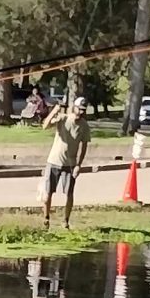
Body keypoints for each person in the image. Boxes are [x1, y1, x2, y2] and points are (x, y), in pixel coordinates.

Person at [42, 84, 92, 227]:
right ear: (74, 107)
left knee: (69, 193)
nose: (80, 112)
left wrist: (78, 165)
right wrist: (54, 111)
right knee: (48, 192)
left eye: (83, 110)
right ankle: (46, 218)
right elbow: (45, 126)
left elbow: (84, 146)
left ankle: (65, 221)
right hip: (54, 161)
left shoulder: (84, 126)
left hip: (70, 164)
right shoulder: (63, 118)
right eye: (79, 109)